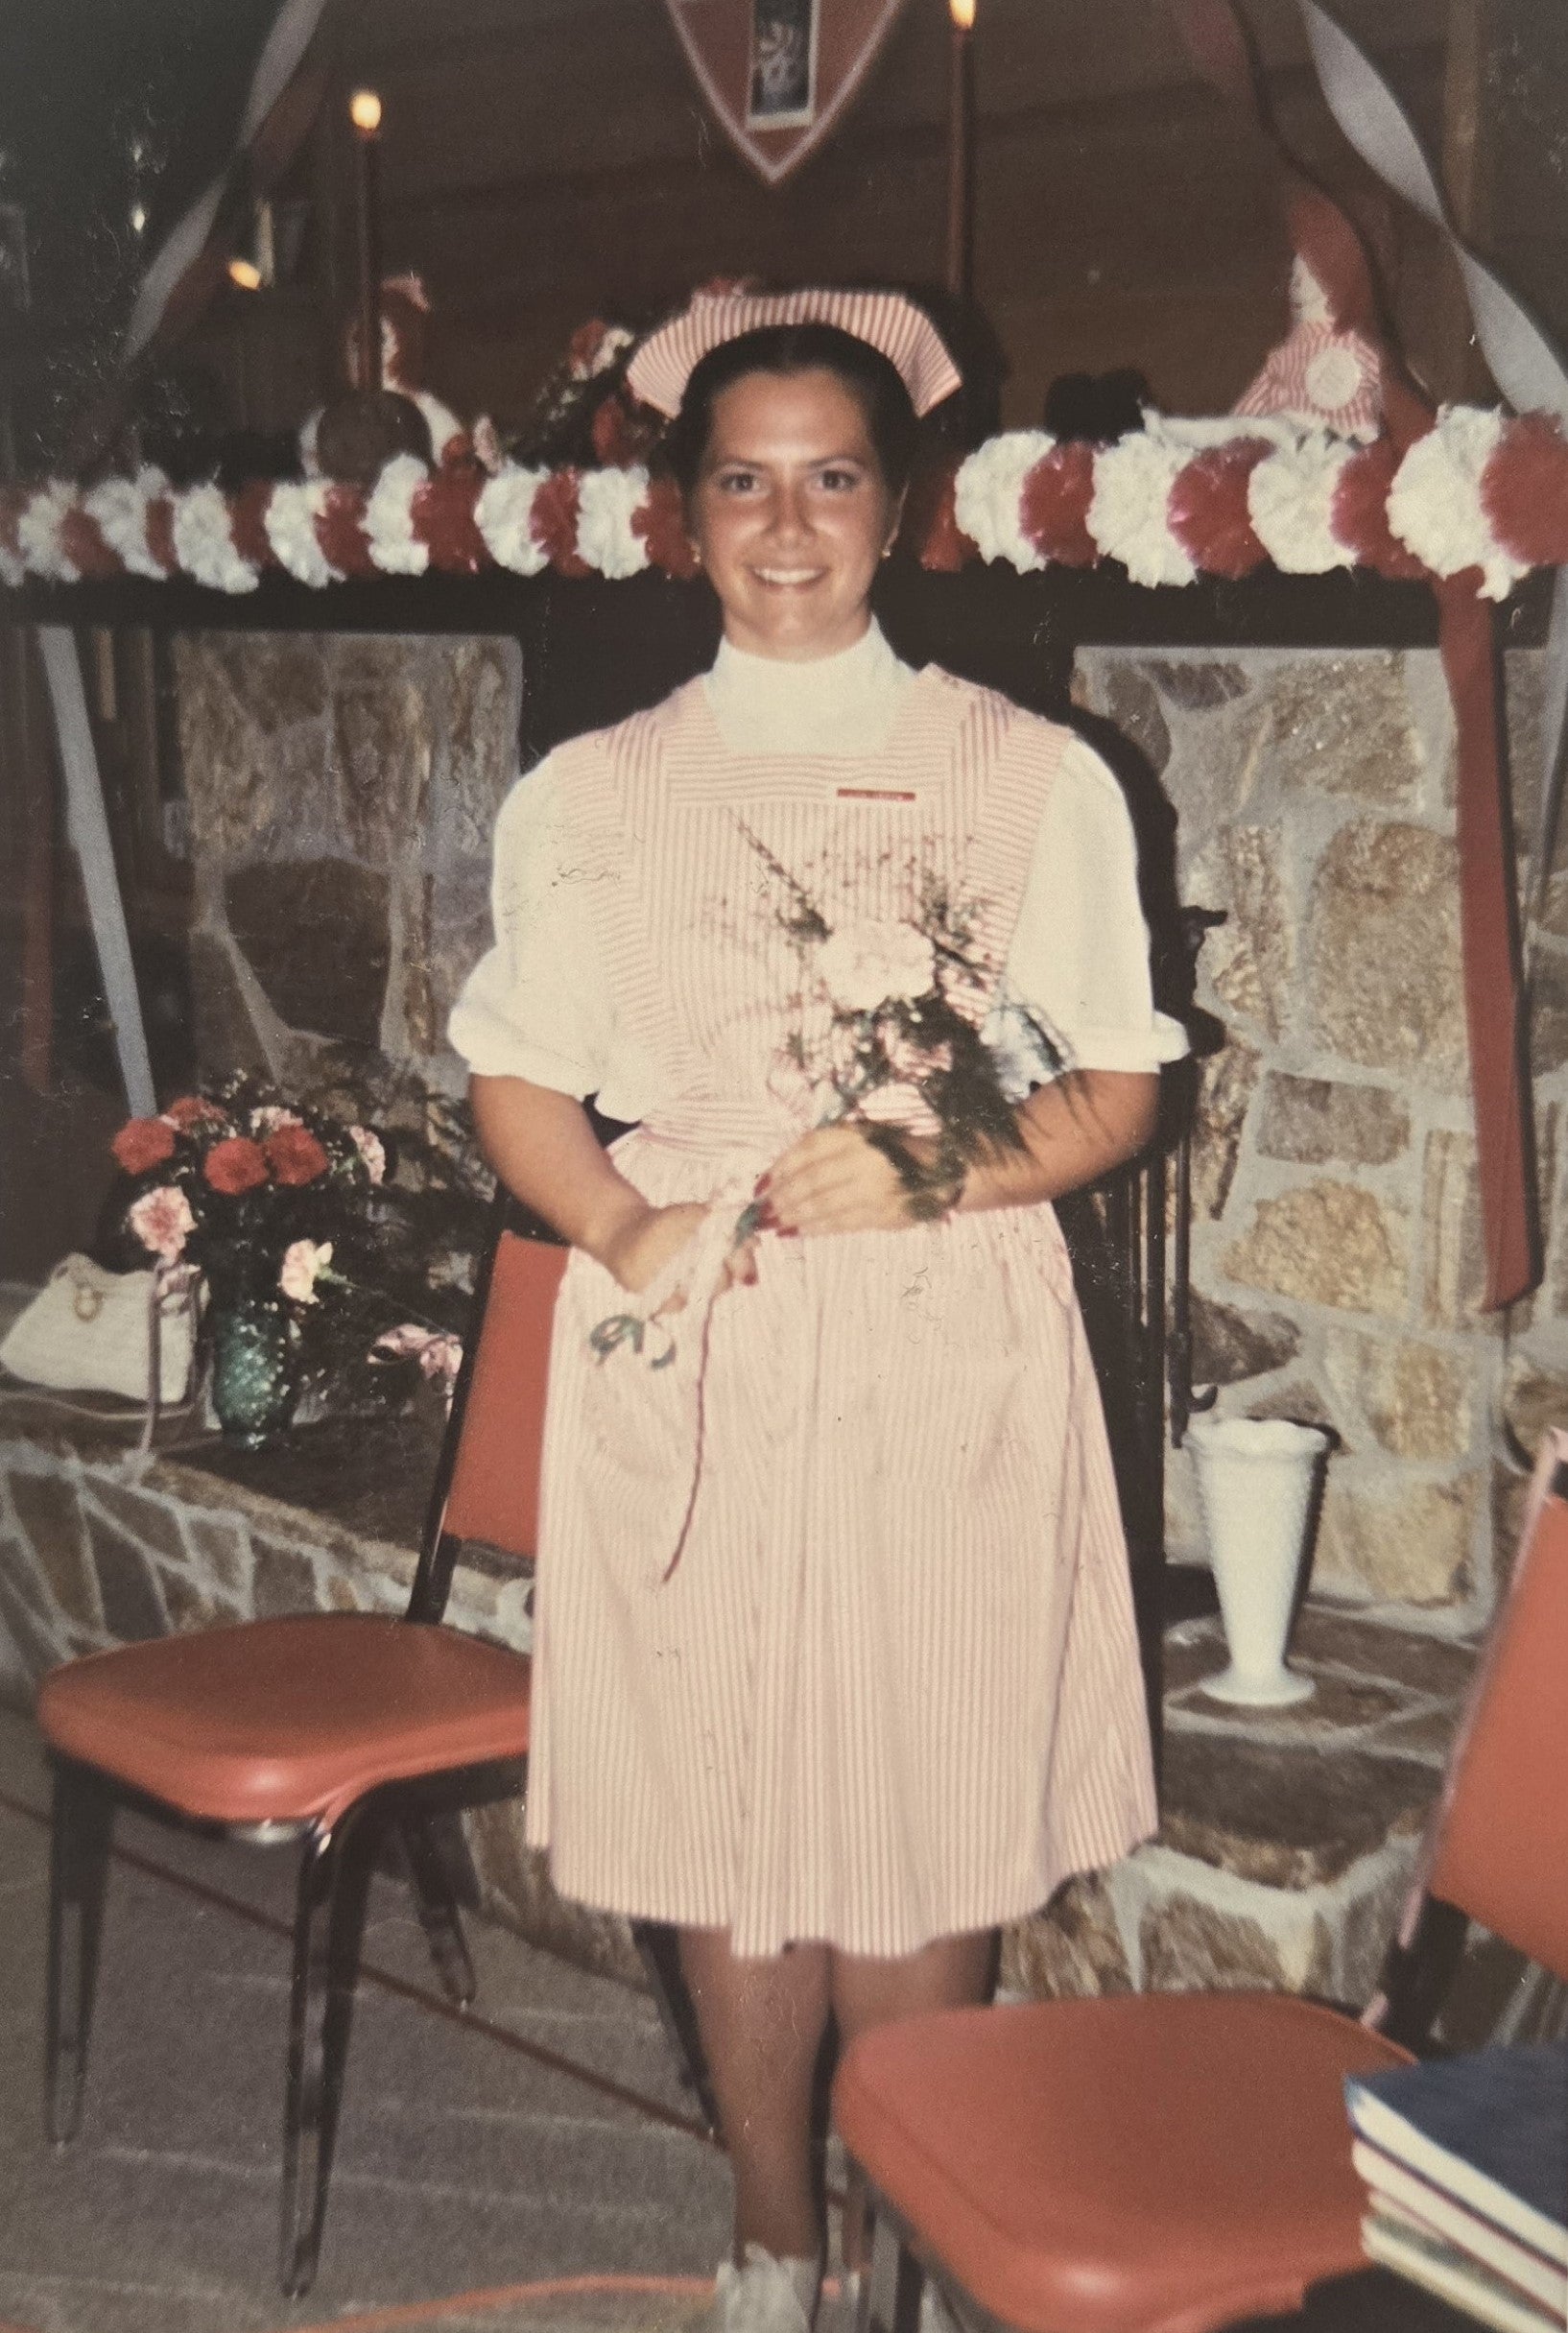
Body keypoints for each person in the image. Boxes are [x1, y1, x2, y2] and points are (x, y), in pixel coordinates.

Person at [449, 287, 1186, 2333]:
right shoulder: (591, 794)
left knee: (927, 1816)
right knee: (732, 1810)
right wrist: (616, 1220)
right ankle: (773, 2237)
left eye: (832, 478)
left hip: (947, 1344)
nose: (788, 524)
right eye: (743, 482)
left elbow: (1121, 1083)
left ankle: (909, 2231)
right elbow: (516, 1067)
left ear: (901, 509)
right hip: (695, 1339)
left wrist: (939, 1160)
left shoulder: (1029, 777)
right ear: (682, 514)